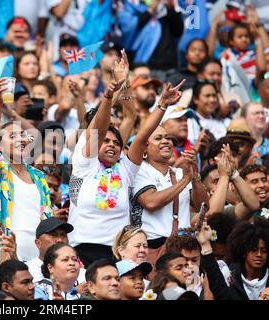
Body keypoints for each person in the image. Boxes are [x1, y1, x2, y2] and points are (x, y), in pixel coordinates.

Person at [68, 50, 185, 266]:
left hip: (118, 254)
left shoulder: (125, 169)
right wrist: (109, 95)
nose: (112, 145)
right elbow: (98, 131)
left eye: (116, 142)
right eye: (107, 141)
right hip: (81, 251)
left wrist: (161, 105)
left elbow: (141, 137)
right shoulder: (85, 163)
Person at [0, 75, 52, 261]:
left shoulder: (39, 176)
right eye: (12, 136)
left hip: (38, 257)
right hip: (2, 253)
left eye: (22, 136)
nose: (20, 140)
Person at [130, 124, 208, 266]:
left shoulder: (179, 173)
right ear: (144, 150)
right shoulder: (139, 172)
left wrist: (195, 175)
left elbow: (202, 205)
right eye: (158, 138)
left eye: (168, 138)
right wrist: (185, 180)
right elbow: (151, 202)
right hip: (154, 247)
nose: (166, 141)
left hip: (185, 247)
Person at [197, 218, 269, 300]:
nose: (259, 254)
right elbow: (218, 286)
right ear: (243, 251)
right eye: (253, 250)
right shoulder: (231, 275)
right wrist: (205, 245)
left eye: (264, 251)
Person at [26, 217, 85, 284]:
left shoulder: (82, 274)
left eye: (63, 235)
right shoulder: (27, 270)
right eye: (53, 235)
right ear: (38, 243)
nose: (60, 240)